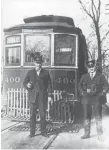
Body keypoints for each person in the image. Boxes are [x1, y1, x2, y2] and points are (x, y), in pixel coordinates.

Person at [23, 52, 52, 138]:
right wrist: (27, 86)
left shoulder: (46, 73)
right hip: (33, 97)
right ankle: (32, 133)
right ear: (34, 63)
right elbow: (24, 82)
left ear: (41, 64)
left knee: (43, 115)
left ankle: (43, 132)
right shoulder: (30, 72)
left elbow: (50, 84)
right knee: (32, 115)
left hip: (42, 98)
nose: (38, 65)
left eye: (39, 63)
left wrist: (50, 96)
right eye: (36, 63)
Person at [78, 59, 109, 140]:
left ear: (95, 67)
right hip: (87, 99)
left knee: (98, 116)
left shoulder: (101, 76)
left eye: (93, 66)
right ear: (88, 68)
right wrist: (83, 92)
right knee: (86, 116)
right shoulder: (84, 76)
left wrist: (103, 93)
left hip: (97, 99)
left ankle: (100, 134)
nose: (91, 68)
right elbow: (79, 86)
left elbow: (106, 85)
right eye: (89, 67)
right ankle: (86, 133)